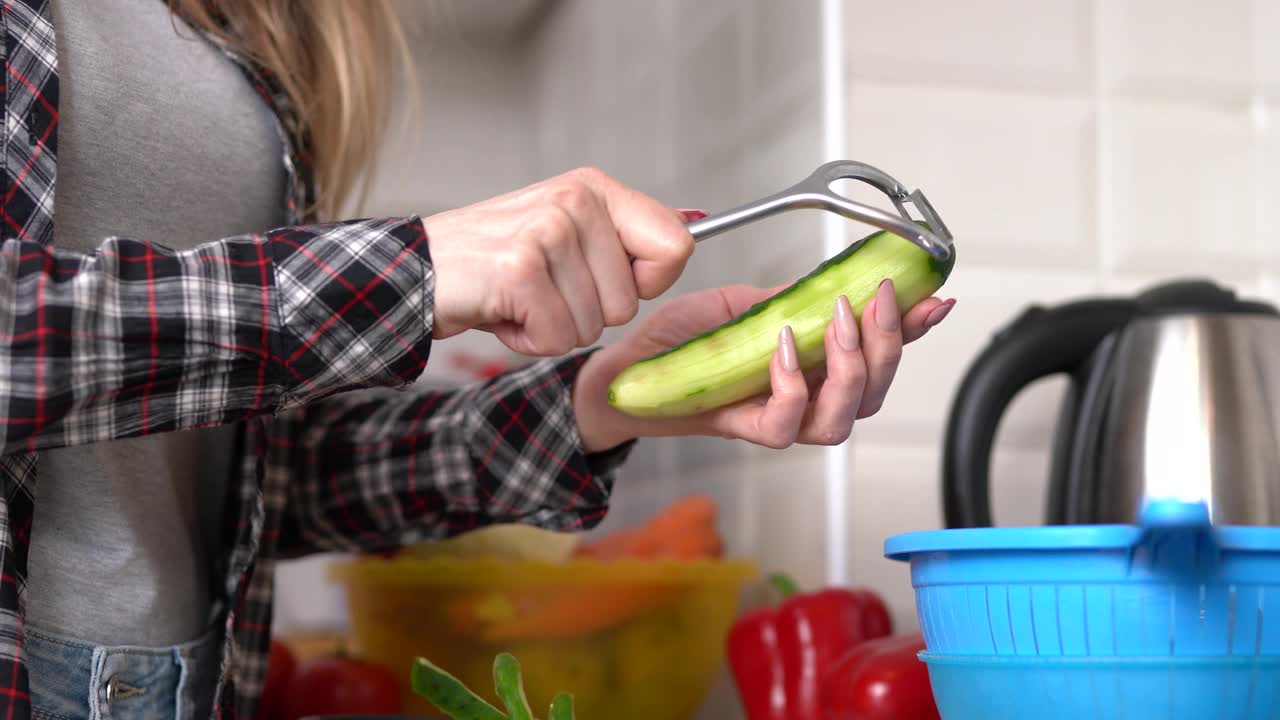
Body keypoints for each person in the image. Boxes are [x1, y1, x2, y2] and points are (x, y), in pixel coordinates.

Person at [0, 2, 955, 719]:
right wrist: (415, 268)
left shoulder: (264, 41)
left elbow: (256, 470)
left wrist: (602, 399)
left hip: (188, 685)